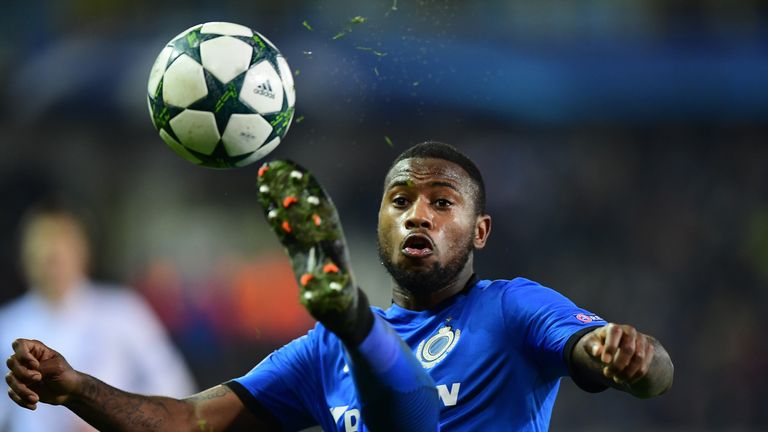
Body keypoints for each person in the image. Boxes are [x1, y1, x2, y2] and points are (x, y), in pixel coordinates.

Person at [5, 142, 674, 431]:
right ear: (378, 222)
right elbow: (186, 422)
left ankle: (361, 319)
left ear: (480, 232)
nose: (419, 213)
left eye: (443, 203)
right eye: (401, 199)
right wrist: (74, 388)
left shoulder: (513, 309)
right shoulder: (319, 355)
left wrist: (632, 357)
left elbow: (643, 371)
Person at [0, 202, 197, 432]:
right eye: (42, 254)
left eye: (59, 253)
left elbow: (175, 386)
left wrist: (108, 414)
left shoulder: (122, 311)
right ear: (25, 258)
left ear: (82, 252)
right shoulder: (7, 324)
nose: (51, 264)